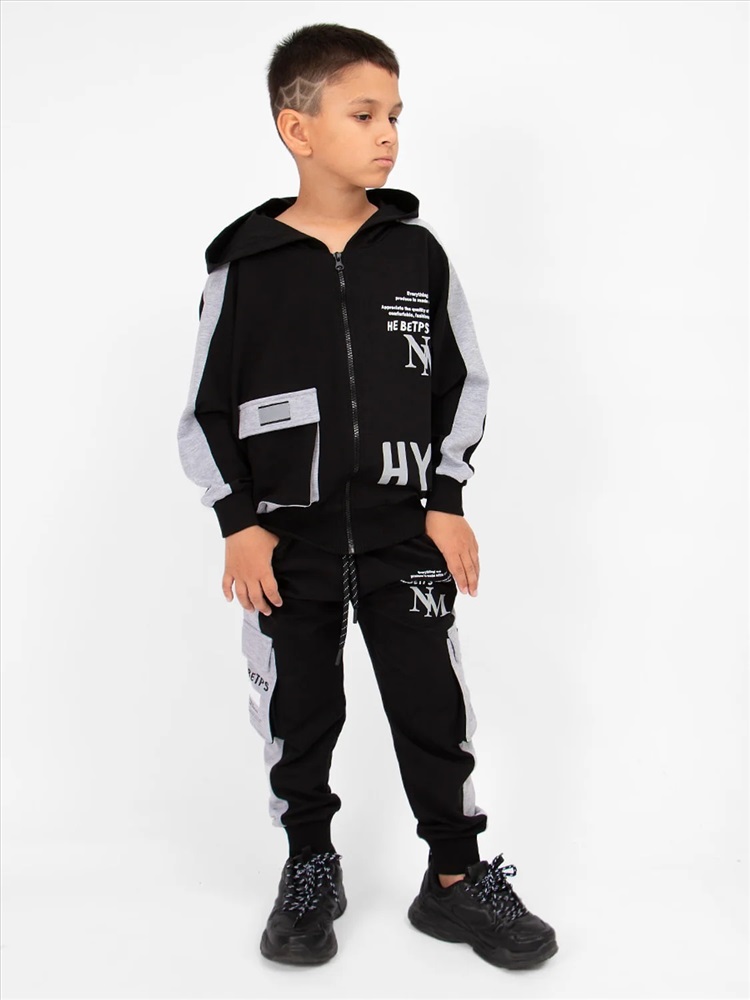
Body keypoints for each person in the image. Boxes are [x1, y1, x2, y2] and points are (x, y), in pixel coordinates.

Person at [176, 21, 558, 971]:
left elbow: (461, 383)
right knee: (298, 711)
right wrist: (238, 522)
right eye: (363, 114)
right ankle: (310, 865)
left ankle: (455, 880)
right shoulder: (244, 268)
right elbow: (207, 410)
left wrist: (446, 496)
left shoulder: (415, 254)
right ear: (297, 128)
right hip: (287, 542)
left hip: (402, 532)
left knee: (434, 704)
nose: (388, 133)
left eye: (395, 114)